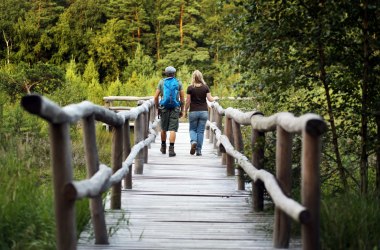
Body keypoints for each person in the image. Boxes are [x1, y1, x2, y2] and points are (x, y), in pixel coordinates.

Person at [184, 70, 218, 156]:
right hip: (204, 112)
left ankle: (193, 141)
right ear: (201, 77)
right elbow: (210, 99)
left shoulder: (190, 88)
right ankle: (198, 151)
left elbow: (188, 101)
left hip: (193, 112)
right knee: (200, 131)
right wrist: (216, 98)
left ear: (193, 77)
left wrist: (185, 111)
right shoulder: (205, 87)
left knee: (192, 129)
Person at [154, 66, 185, 157]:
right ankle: (171, 150)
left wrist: (157, 107)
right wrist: (182, 110)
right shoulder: (178, 82)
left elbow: (155, 97)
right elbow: (182, 98)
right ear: (174, 74)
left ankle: (163, 147)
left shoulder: (162, 82)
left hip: (164, 108)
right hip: (175, 108)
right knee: (172, 129)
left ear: (166, 73)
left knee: (163, 128)